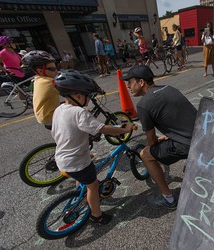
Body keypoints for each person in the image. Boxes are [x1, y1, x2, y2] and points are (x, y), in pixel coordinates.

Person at [52, 70, 135, 224]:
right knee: (93, 186)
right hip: (76, 162)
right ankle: (97, 216)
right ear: (77, 96)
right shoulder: (79, 113)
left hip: (63, 157)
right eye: (88, 96)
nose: (89, 100)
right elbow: (103, 128)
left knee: (84, 179)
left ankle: (80, 194)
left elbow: (61, 132)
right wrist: (124, 129)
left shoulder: (59, 109)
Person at [122, 65, 197, 209]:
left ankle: (168, 199)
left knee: (145, 154)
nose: (128, 86)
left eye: (130, 82)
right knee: (160, 144)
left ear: (141, 82)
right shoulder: (170, 88)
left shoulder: (144, 105)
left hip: (186, 145)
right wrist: (169, 137)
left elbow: (151, 142)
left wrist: (157, 141)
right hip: (201, 137)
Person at [22, 50, 59, 128]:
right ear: (40, 71)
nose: (57, 71)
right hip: (50, 118)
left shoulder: (38, 79)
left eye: (56, 67)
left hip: (44, 115)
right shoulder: (49, 82)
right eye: (52, 69)